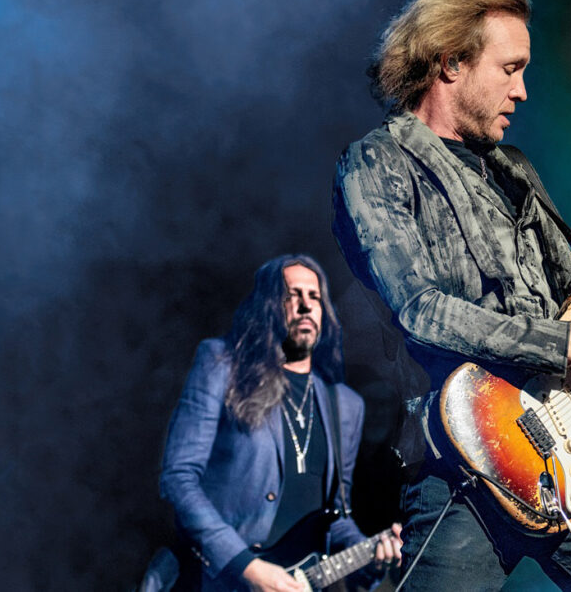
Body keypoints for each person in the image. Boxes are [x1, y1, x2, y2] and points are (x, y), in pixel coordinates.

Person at [332, 0, 571, 590]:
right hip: (463, 461)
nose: (523, 90)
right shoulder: (378, 162)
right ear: (451, 63)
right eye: (510, 69)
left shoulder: (516, 171)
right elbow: (420, 310)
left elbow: (564, 316)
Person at [160, 254, 401, 592]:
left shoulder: (345, 406)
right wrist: (247, 568)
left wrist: (370, 554)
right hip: (213, 580)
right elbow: (179, 478)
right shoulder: (220, 365)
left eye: (314, 296)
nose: (305, 306)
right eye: (292, 295)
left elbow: (335, 517)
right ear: (268, 306)